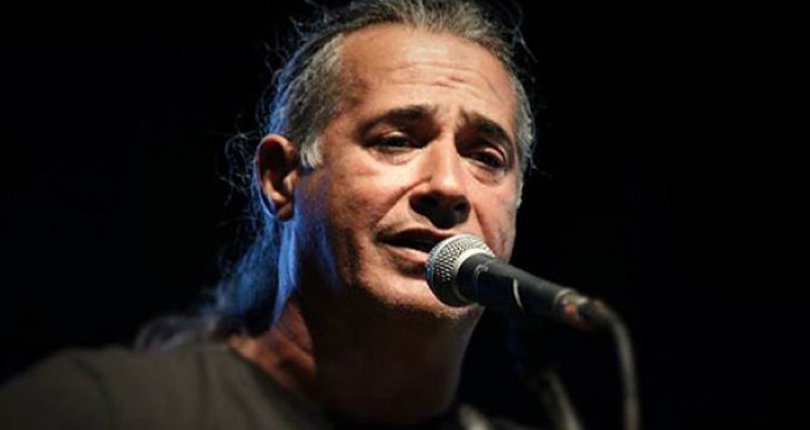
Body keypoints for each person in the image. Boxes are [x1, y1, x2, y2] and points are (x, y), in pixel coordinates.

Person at [0, 0, 551, 428]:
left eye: (486, 157)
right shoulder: (96, 409)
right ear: (281, 178)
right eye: (397, 140)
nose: (448, 185)